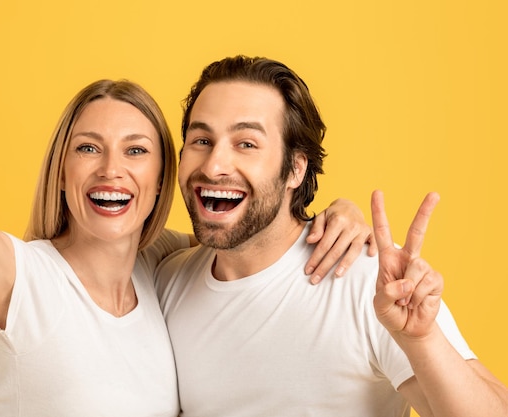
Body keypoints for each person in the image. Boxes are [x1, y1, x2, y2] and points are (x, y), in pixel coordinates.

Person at [0, 79, 372, 416]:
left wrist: (334, 217)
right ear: (61, 170)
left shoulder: (160, 271)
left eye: (135, 150)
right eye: (88, 148)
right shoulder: (20, 279)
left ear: (162, 180)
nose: (110, 169)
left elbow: (254, 239)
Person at [156, 55, 508, 416]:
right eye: (201, 140)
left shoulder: (368, 281)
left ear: (295, 168)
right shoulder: (167, 283)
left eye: (246, 144)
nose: (214, 165)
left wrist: (423, 340)